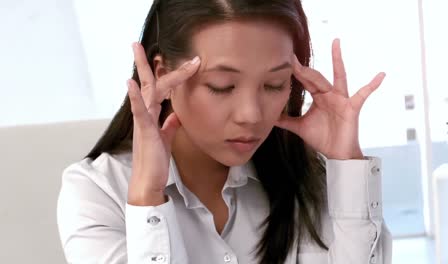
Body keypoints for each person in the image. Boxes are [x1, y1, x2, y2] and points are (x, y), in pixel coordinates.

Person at [56, 0, 392, 263]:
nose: (251, 115)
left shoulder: (306, 177)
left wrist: (347, 163)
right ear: (163, 76)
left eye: (274, 85)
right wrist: (148, 198)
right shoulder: (96, 192)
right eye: (222, 86)